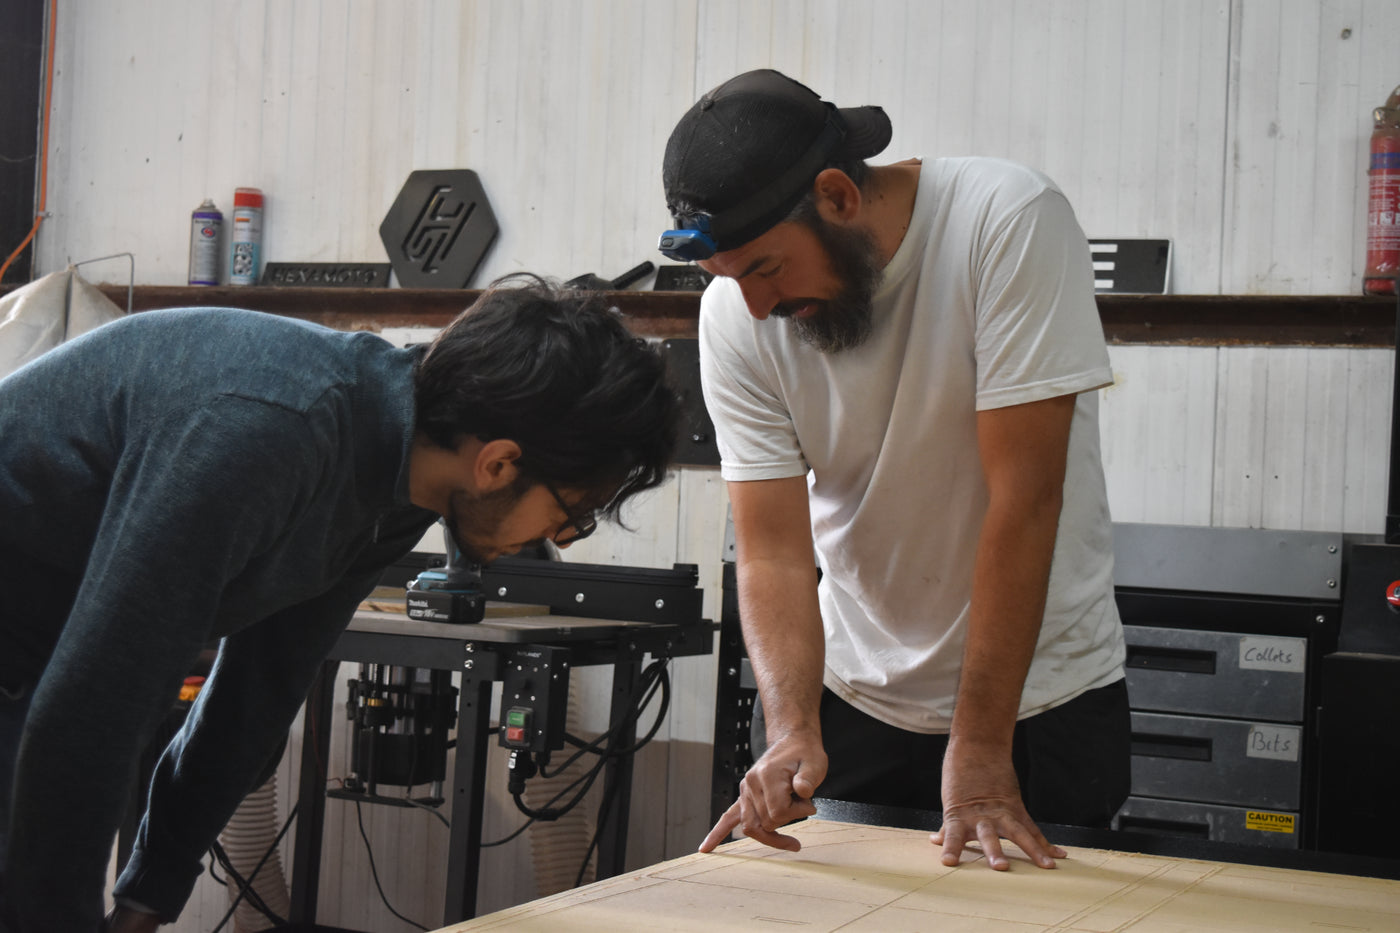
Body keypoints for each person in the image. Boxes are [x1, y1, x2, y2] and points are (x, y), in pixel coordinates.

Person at [0, 275, 678, 933]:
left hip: (40, 649)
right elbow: (95, 706)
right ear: (497, 464)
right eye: (574, 512)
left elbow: (257, 693)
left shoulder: (397, 478)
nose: (560, 538)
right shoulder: (271, 430)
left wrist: (149, 893)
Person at [658, 69, 1129, 871]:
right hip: (861, 696)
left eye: (768, 269)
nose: (758, 308)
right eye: (732, 282)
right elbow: (772, 550)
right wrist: (792, 729)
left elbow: (1024, 499)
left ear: (839, 196)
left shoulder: (1004, 222)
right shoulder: (737, 315)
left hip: (1042, 701)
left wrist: (980, 744)